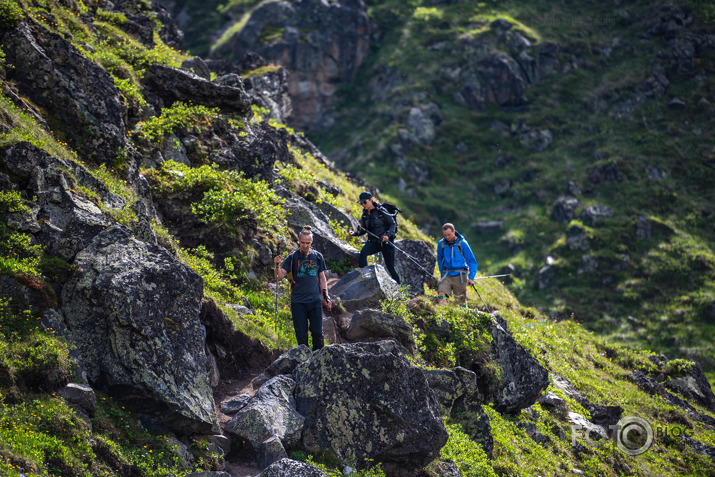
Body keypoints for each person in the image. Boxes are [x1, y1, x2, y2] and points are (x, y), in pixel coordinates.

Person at [274, 226, 331, 350]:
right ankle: (305, 363)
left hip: (315, 301)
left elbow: (322, 279)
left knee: (317, 333)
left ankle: (318, 361)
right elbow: (279, 277)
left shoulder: (318, 256)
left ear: (312, 242)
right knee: (301, 336)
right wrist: (277, 265)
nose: (305, 246)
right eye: (303, 243)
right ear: (298, 241)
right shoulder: (292, 257)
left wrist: (326, 296)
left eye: (308, 243)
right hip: (298, 302)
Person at [348, 191, 401, 284]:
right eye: (361, 203)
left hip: (386, 243)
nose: (363, 204)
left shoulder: (381, 210)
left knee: (390, 268)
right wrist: (354, 233)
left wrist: (387, 236)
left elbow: (393, 224)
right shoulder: (364, 215)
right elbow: (363, 231)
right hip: (373, 242)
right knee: (363, 254)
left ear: (371, 200)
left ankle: (400, 289)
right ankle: (364, 279)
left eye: (365, 202)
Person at [436, 223, 478, 305]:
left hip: (460, 276)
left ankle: (461, 316)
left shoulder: (463, 243)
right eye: (445, 235)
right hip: (446, 275)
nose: (447, 237)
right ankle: (443, 315)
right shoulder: (441, 244)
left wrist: (471, 277)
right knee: (441, 294)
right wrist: (442, 273)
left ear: (454, 232)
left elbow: (472, 261)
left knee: (460, 302)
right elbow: (440, 259)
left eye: (449, 235)